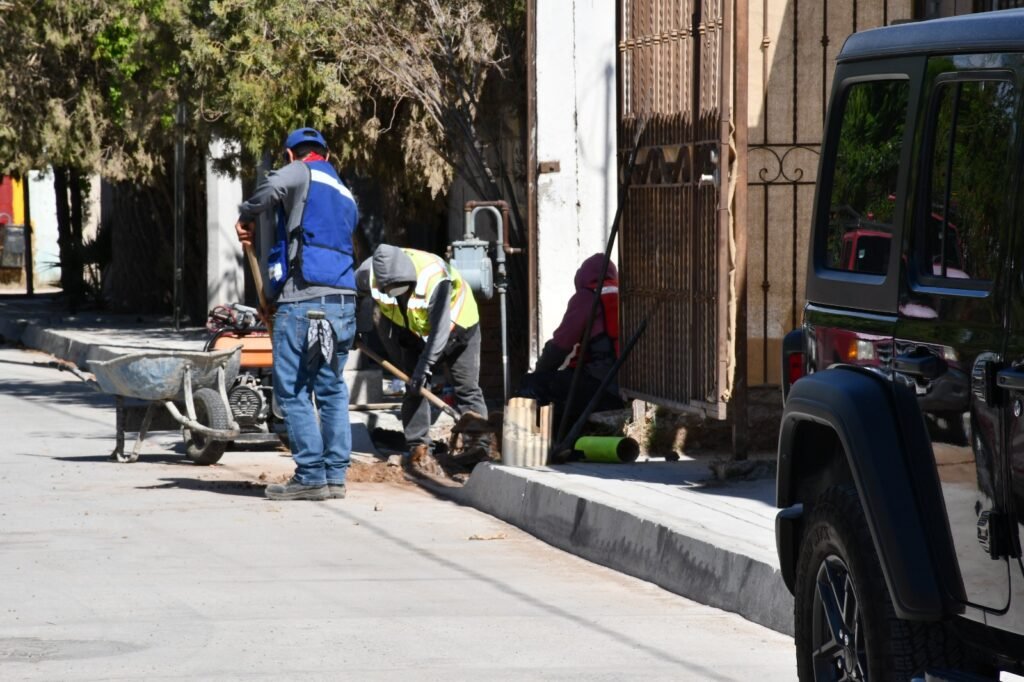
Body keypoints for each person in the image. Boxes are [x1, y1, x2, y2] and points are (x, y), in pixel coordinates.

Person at [235, 127, 358, 501]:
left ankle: (310, 475)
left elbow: (271, 188)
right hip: (342, 304)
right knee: (331, 388)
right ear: (328, 154)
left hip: (305, 302)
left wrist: (247, 214)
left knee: (293, 390)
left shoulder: (301, 170)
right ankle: (334, 477)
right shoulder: (345, 192)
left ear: (290, 155)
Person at [355, 244, 487, 473]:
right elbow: (354, 297)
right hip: (414, 331)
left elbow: (439, 333)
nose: (398, 294)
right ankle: (419, 447)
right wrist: (353, 327)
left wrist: (423, 368)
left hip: (458, 326)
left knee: (466, 388)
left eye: (403, 289)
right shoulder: (367, 274)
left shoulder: (434, 278)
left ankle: (478, 448)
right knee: (414, 389)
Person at [517, 253, 624, 431]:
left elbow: (560, 346)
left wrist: (539, 373)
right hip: (625, 388)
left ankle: (533, 440)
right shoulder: (624, 295)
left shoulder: (588, 296)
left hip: (599, 385)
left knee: (531, 386)